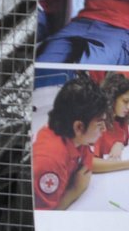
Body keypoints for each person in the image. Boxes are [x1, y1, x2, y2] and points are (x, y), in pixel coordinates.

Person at [32, 74, 110, 210]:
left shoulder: (78, 138)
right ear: (79, 127)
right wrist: (75, 190)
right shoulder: (49, 160)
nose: (104, 128)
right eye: (99, 123)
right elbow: (42, 219)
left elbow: (87, 166)